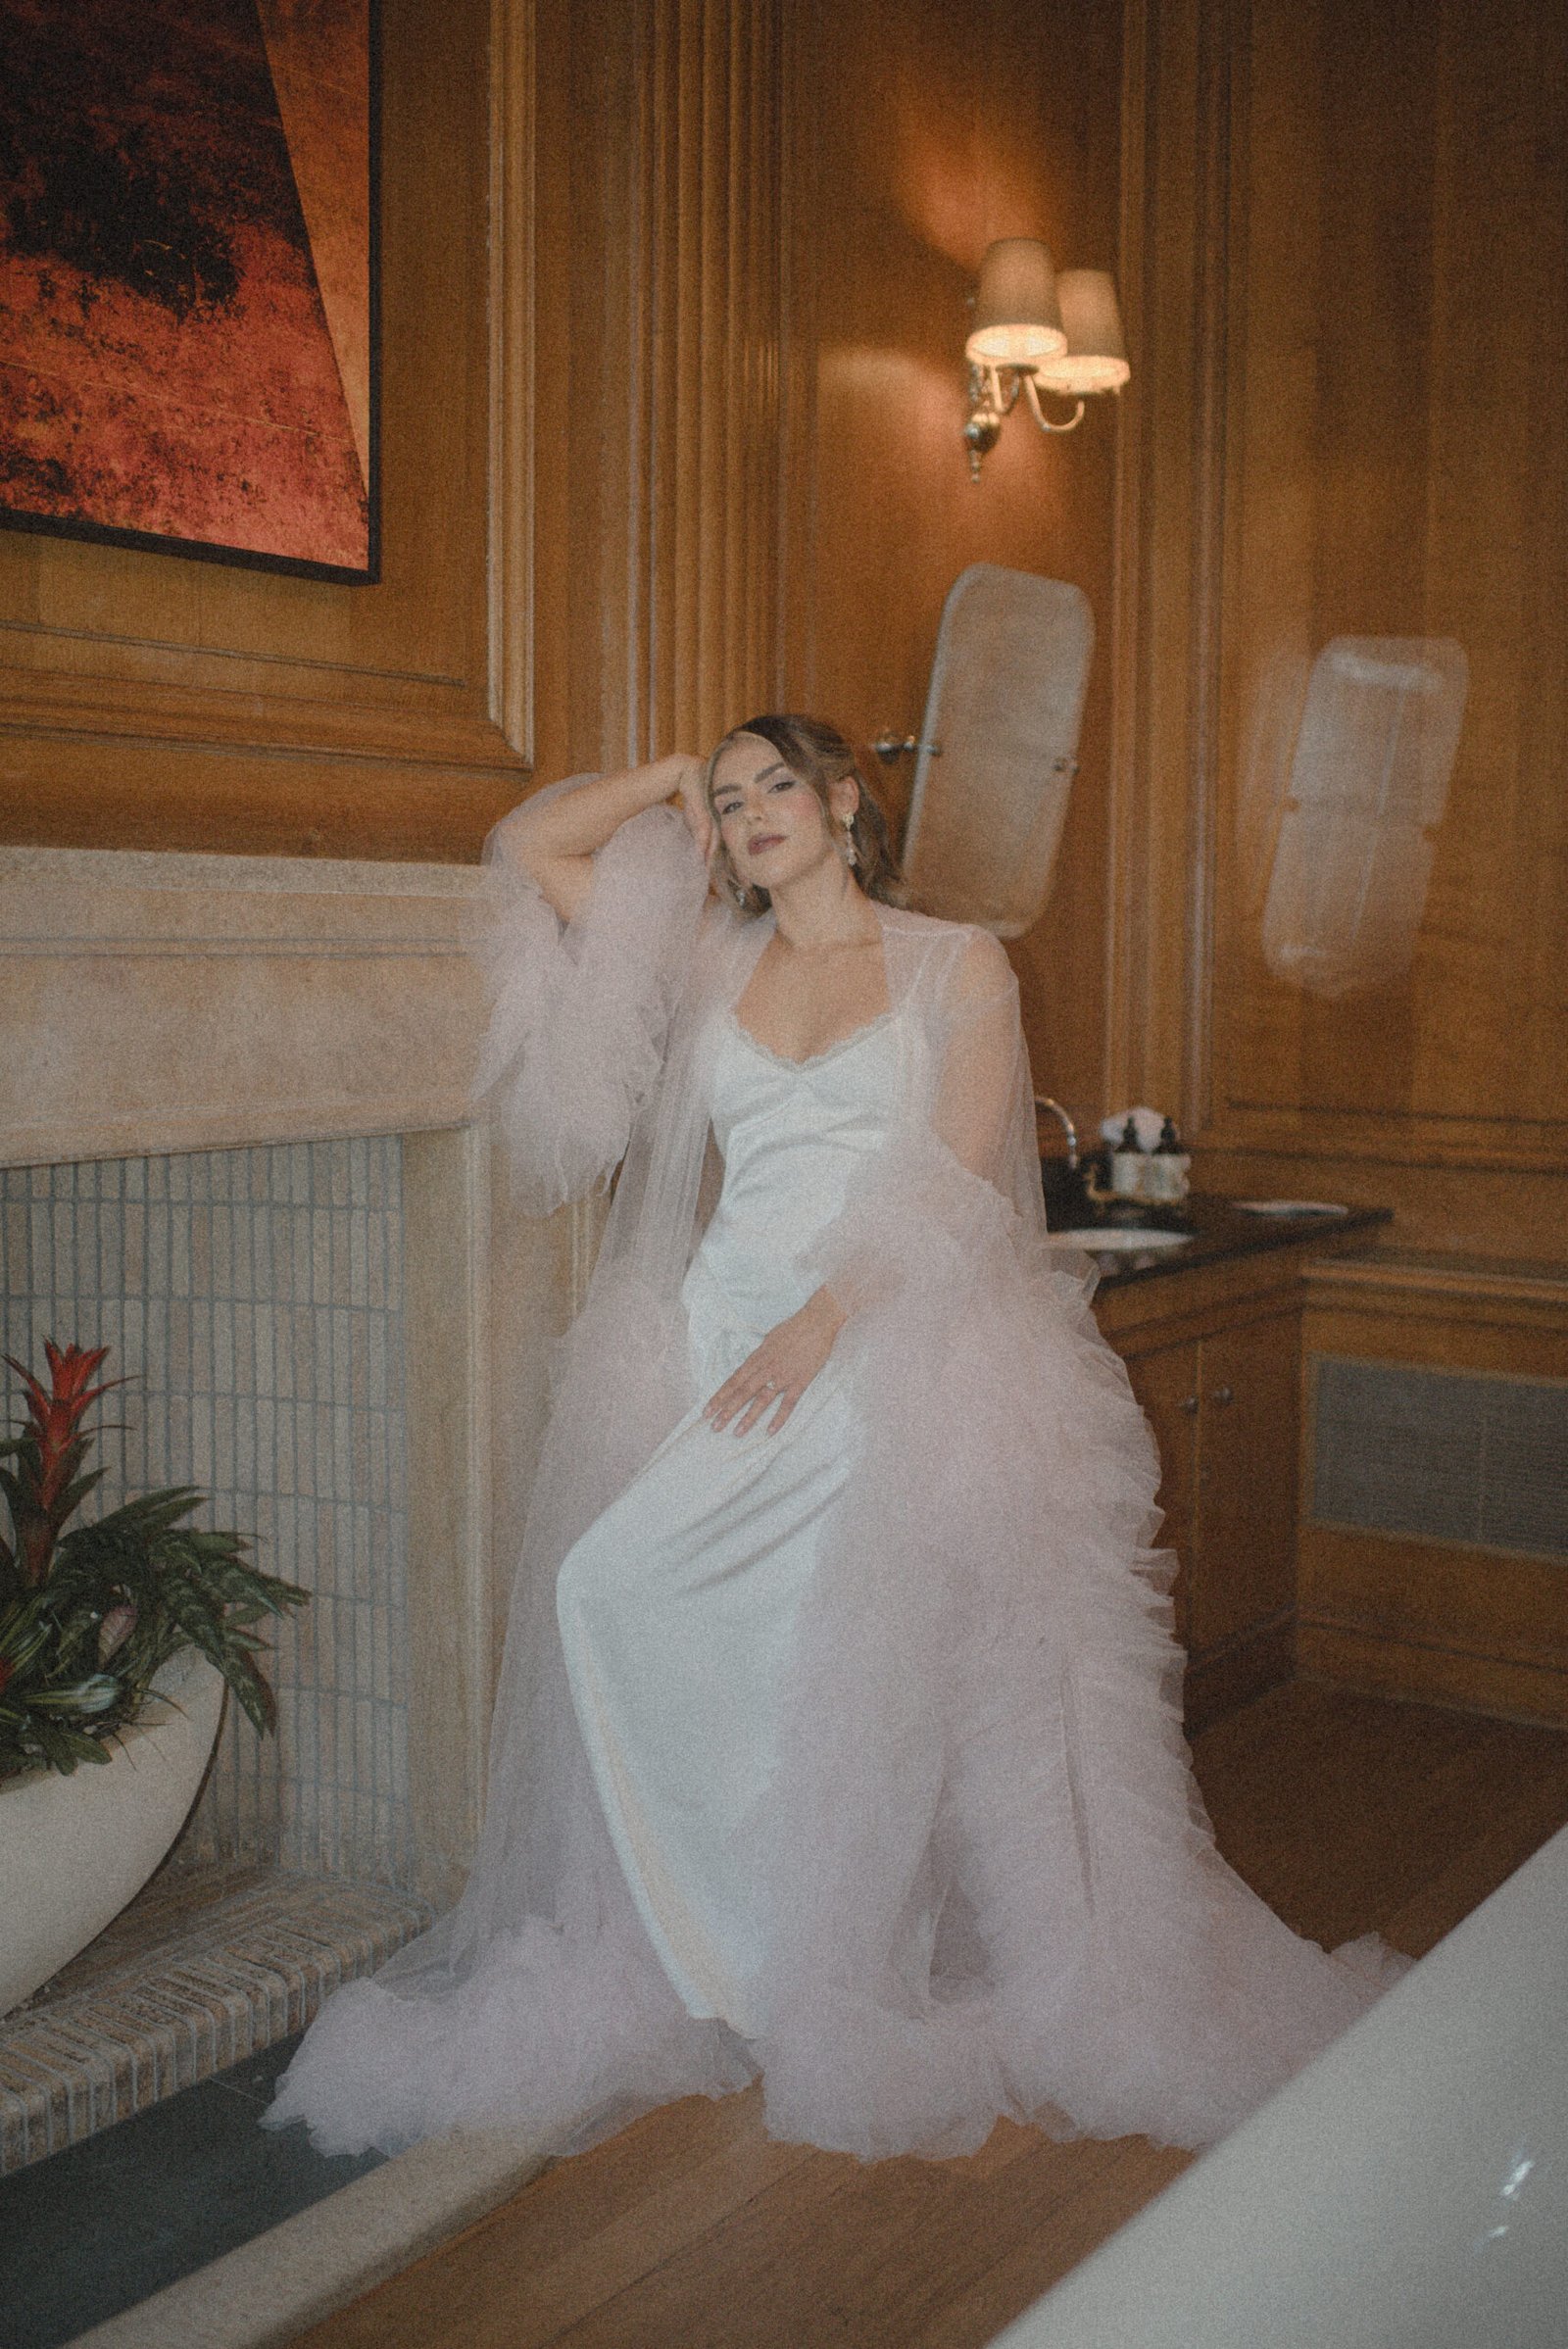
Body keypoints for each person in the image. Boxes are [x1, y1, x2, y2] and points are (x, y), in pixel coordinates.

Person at [268, 715, 1401, 2166]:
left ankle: (821, 1966)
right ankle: (727, 1954)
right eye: (731, 799)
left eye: (776, 788)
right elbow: (528, 846)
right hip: (725, 1352)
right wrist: (665, 784)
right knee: (609, 1588)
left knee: (838, 1667)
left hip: (877, 1350)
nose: (752, 814)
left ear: (844, 802)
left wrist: (822, 1325)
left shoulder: (955, 962)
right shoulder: (710, 960)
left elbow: (956, 1189)